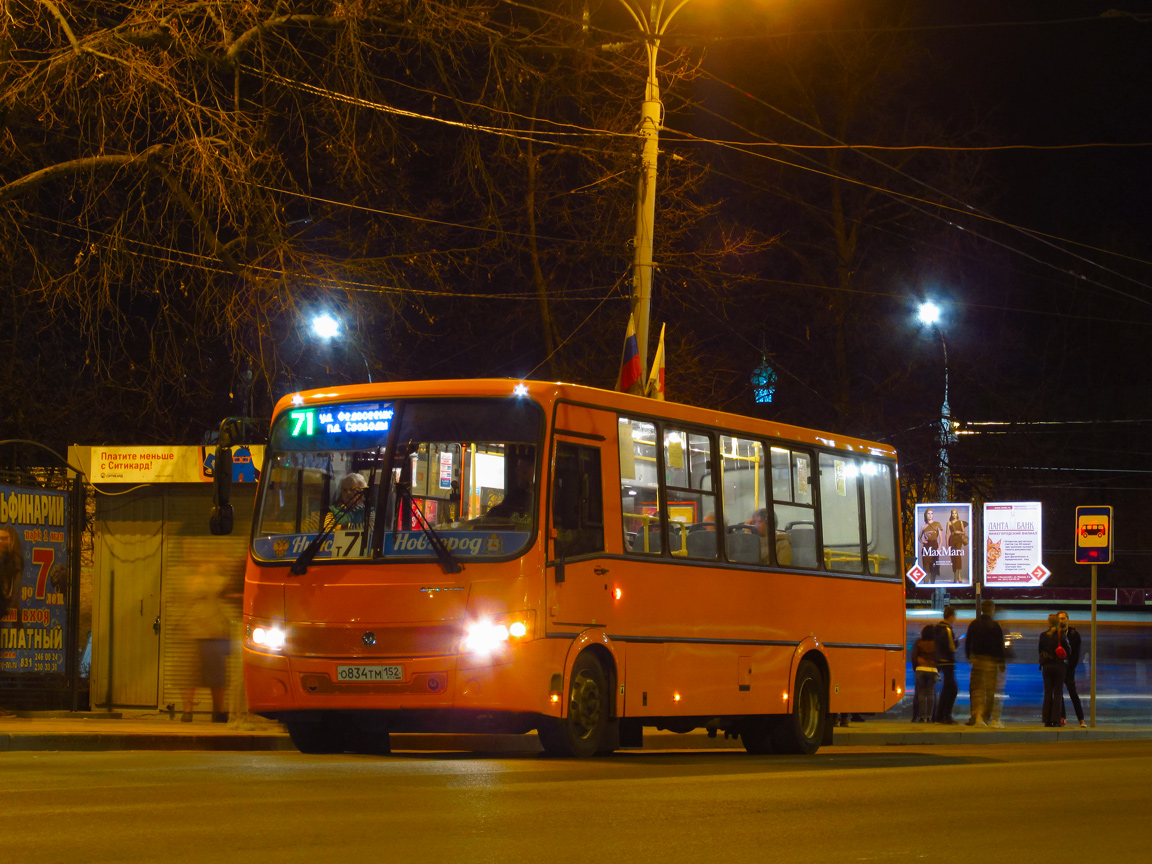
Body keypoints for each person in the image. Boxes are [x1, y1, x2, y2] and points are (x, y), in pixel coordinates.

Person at [180, 564, 232, 723]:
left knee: (216, 678)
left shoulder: (214, 582)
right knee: (192, 676)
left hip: (214, 634)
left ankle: (217, 711)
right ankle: (189, 710)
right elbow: (210, 589)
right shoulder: (194, 582)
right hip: (198, 634)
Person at [965, 599, 1006, 727]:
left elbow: (968, 642)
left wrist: (969, 657)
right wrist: (1001, 663)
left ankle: (975, 717)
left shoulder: (974, 624)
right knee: (990, 691)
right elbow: (1000, 646)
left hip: (977, 660)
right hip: (991, 662)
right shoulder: (995, 626)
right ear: (992, 610)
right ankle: (986, 718)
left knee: (976, 689)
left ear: (982, 609)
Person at [1039, 613, 1070, 727]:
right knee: (1057, 692)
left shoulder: (1043, 635)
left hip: (1047, 667)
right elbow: (1069, 651)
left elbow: (1040, 650)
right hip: (1059, 666)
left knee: (1047, 692)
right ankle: (1056, 719)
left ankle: (1046, 720)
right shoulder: (1061, 635)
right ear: (1058, 623)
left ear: (1048, 623)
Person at [487, 448, 534, 520]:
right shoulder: (517, 493)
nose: (518, 471)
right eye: (518, 467)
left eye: (522, 467)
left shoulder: (542, 493)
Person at [1057, 610, 1086, 727]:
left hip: (1069, 669)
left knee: (1073, 693)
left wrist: (1070, 667)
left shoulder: (1074, 635)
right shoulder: (1057, 634)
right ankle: (1062, 718)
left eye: (1063, 618)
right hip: (1059, 668)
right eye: (1060, 618)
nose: (1061, 620)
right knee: (1059, 694)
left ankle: (1081, 719)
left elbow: (1075, 654)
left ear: (1068, 619)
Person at [933, 605, 959, 724]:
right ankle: (946, 715)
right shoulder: (947, 629)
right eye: (954, 617)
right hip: (948, 662)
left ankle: (940, 716)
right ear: (951, 616)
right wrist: (958, 641)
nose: (955, 619)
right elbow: (951, 647)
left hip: (940, 661)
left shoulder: (937, 628)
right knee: (952, 689)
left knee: (947, 689)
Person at [912, 624, 937, 723]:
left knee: (921, 693)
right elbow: (938, 657)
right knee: (930, 693)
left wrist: (916, 668)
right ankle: (930, 717)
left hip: (920, 669)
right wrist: (936, 668)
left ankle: (921, 717)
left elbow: (914, 657)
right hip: (932, 670)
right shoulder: (936, 643)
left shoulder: (919, 642)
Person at [919, 508, 945, 584]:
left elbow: (941, 537)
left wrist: (939, 547)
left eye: (931, 513)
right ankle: (926, 584)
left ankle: (932, 584)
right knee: (926, 566)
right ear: (926, 515)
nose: (930, 515)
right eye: (928, 513)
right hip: (926, 547)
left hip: (934, 545)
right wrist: (922, 541)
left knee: (934, 566)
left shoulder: (937, 524)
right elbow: (919, 537)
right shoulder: (923, 526)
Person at [946, 508, 969, 583]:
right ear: (951, 514)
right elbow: (947, 533)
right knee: (953, 557)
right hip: (952, 539)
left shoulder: (961, 522)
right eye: (953, 513)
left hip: (958, 539)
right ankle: (955, 576)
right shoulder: (949, 523)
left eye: (955, 513)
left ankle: (960, 575)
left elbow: (964, 532)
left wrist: (958, 531)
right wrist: (947, 543)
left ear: (957, 514)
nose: (954, 514)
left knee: (958, 556)